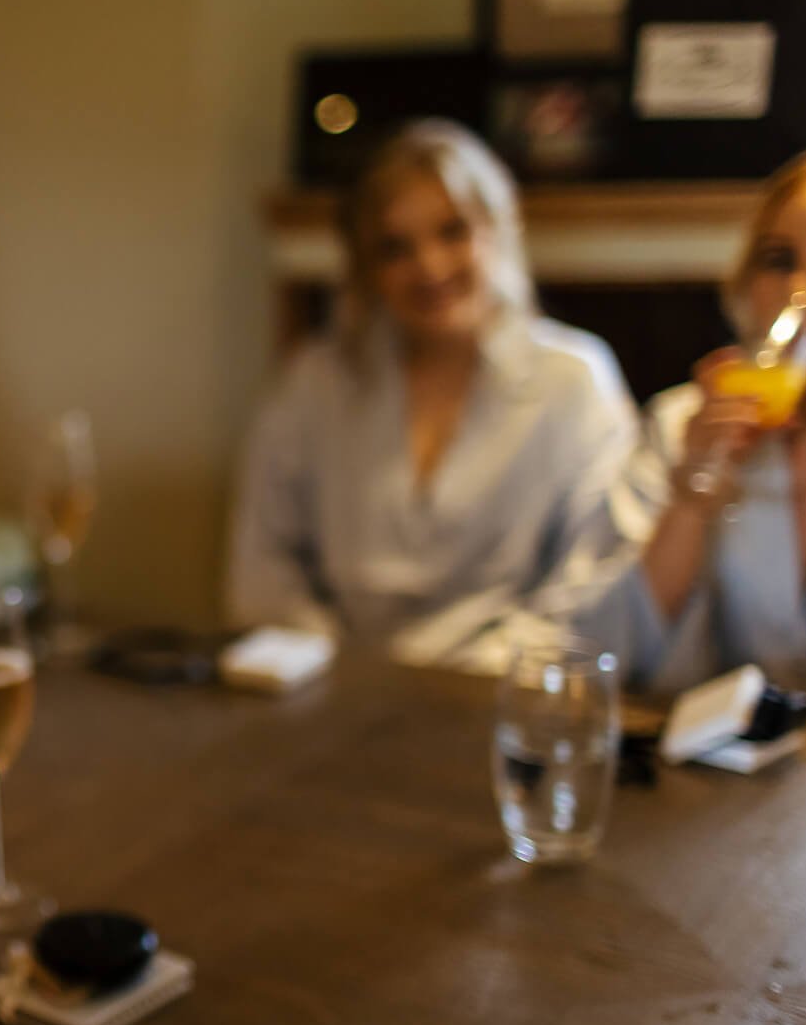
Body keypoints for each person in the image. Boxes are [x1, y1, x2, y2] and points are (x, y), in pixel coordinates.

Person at [226, 119, 638, 672]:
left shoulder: (575, 383)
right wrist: (337, 669)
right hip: (333, 692)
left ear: (496, 229)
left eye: (452, 232)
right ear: (366, 268)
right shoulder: (314, 384)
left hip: (496, 692)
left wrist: (462, 678)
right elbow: (262, 569)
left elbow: (593, 586)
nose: (430, 267)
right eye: (395, 248)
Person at [576, 148, 806, 693]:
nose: (800, 293)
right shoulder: (679, 425)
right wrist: (690, 498)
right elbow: (602, 657)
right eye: (780, 261)